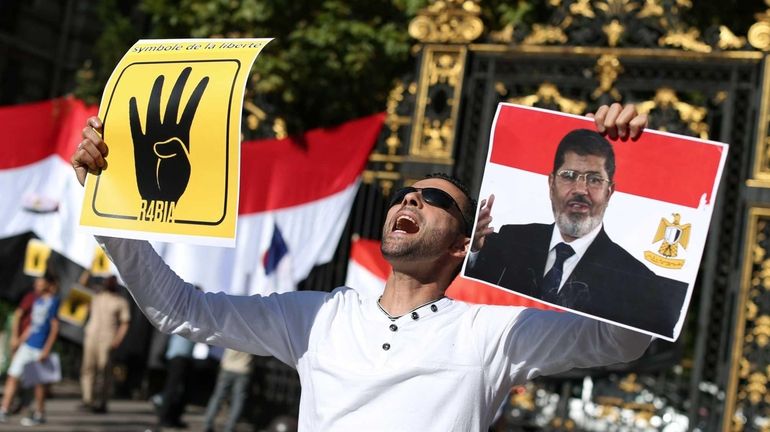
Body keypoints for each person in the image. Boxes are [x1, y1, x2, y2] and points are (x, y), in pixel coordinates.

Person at [72, 103, 652, 431]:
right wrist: (110, 205)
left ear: (462, 244)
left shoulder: (491, 333)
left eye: (436, 201)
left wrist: (634, 151)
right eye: (405, 193)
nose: (409, 201)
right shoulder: (318, 316)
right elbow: (180, 310)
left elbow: (621, 341)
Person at [466, 127, 688, 338]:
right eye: (569, 175)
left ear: (609, 192)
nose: (581, 190)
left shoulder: (636, 279)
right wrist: (473, 250)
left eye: (594, 180)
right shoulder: (510, 240)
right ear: (551, 183)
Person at [0, 270, 60, 426]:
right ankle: (4, 409)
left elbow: (54, 328)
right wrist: (19, 340)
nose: (37, 284)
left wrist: (47, 349)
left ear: (48, 284)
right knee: (13, 375)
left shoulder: (53, 302)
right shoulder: (37, 301)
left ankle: (40, 414)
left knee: (38, 384)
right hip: (27, 345)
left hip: (40, 348)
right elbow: (32, 326)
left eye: (40, 281)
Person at [79, 274, 131, 413]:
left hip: (107, 339)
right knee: (88, 368)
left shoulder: (120, 302)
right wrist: (88, 270)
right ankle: (87, 399)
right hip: (92, 335)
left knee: (104, 370)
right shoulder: (97, 296)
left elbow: (125, 323)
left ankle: (102, 402)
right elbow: (81, 287)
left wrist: (117, 340)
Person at [203, 348, 254, 432]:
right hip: (243, 368)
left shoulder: (232, 334)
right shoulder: (253, 337)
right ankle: (229, 428)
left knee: (218, 397)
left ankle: (207, 424)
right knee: (238, 401)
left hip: (227, 366)